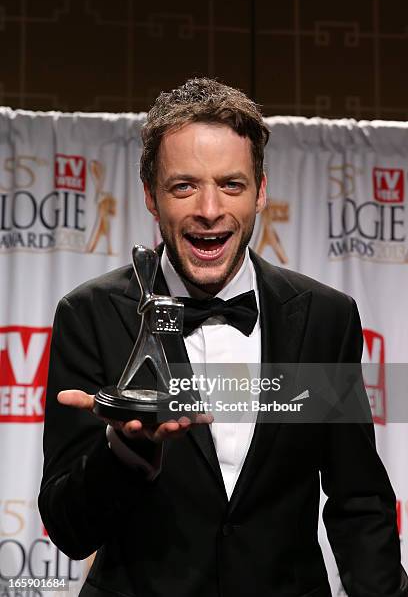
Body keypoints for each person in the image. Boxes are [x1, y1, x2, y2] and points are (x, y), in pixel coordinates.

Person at [39, 78, 408, 597]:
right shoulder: (90, 314)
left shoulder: (325, 318)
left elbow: (358, 500)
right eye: (184, 185)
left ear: (261, 191)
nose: (209, 209)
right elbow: (70, 530)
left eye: (231, 185)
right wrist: (122, 453)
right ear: (150, 195)